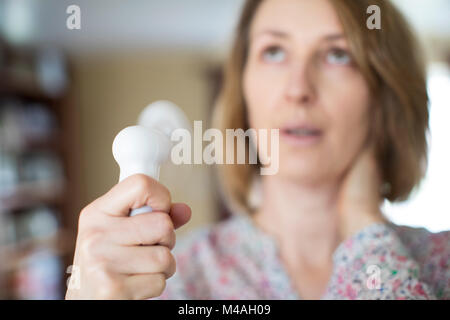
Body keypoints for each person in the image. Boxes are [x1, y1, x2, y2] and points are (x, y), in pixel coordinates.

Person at [65, 0, 450, 300]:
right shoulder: (170, 277)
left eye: (338, 54)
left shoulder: (441, 264)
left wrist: (366, 229)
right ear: (243, 90)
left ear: (384, 96)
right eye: (274, 51)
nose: (298, 88)